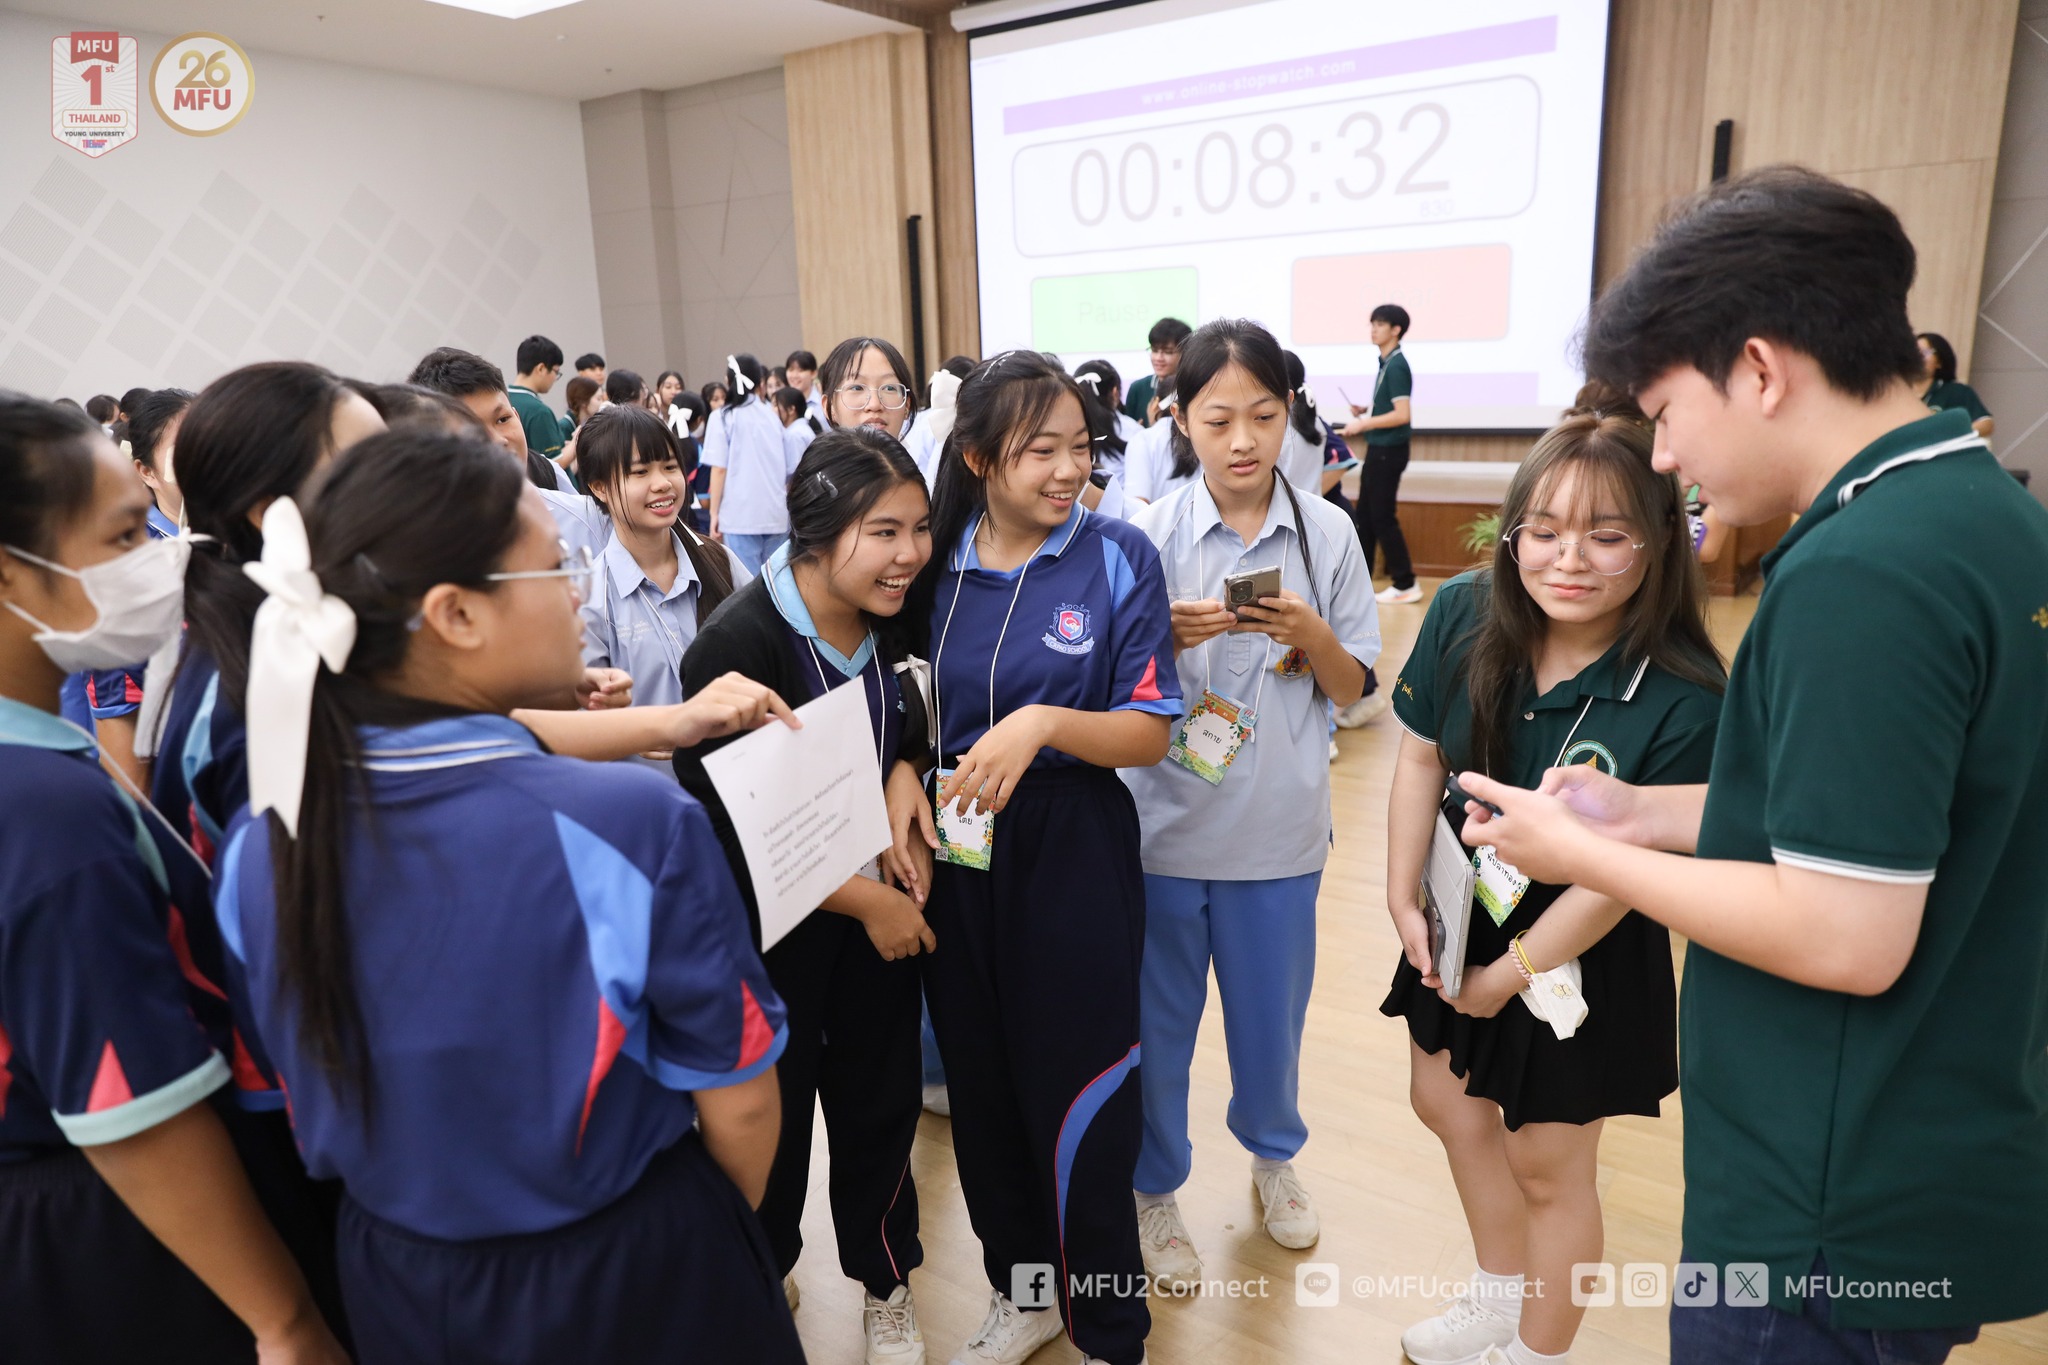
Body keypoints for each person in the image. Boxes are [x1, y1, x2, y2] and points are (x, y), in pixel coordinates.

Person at [1458, 166, 2048, 1365]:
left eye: (1666, 412)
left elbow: (1846, 934)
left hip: (1820, 1201)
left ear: (1760, 370)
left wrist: (1574, 853)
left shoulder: (1858, 574)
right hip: (1931, 1130)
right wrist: (1641, 814)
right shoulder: (1985, 518)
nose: (1664, 456)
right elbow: (1884, 814)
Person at [208, 426, 804, 1364]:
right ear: (455, 614)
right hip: (632, 1269)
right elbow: (743, 1104)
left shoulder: (259, 843)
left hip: (397, 1279)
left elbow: (285, 1089)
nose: (577, 591)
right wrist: (697, 1238)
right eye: (556, 565)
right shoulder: (630, 821)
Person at [0, 393, 349, 1365]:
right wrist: (283, 1318)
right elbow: (134, 1105)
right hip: (127, 1241)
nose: (164, 557)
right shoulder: (44, 810)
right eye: (125, 537)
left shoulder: (44, 762)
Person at [1382, 382, 1724, 1365]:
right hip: (1459, 907)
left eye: (1605, 537)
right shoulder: (1462, 611)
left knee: (1547, 1166)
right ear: (1511, 535)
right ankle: (1499, 1295)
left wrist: (1511, 974)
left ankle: (1537, 1353)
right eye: (1542, 532)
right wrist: (1400, 893)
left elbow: (1617, 879)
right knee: (1445, 1102)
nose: (1567, 560)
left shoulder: (1686, 695)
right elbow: (1419, 754)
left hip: (1581, 945)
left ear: (1658, 544)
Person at [907, 350, 1181, 1365]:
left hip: (1073, 842)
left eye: (1079, 447)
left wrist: (1042, 723)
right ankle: (1025, 1290)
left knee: (1085, 1087)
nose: (1069, 470)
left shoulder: (1116, 555)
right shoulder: (930, 563)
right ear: (979, 459)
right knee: (982, 1087)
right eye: (1041, 451)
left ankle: (1108, 1325)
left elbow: (1150, 730)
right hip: (955, 845)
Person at [1119, 320, 1379, 1289]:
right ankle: (1154, 1191)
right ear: (1180, 419)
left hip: (1277, 834)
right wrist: (1161, 640)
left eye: (1263, 416)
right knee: (1157, 1032)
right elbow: (1106, 691)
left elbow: (1354, 690)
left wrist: (1313, 635)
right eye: (1218, 417)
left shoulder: (1327, 533)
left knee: (1271, 1025)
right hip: (1160, 835)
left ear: (1288, 416)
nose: (1242, 440)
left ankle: (1274, 1160)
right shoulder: (1145, 537)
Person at [676, 426, 938, 1365]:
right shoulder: (737, 643)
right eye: (884, 532)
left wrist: (905, 766)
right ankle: (764, 1265)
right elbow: (735, 828)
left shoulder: (895, 613)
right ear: (818, 536)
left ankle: (885, 1280)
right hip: (776, 931)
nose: (909, 554)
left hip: (880, 923)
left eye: (919, 528)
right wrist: (870, 905)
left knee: (880, 1105)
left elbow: (912, 717)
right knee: (771, 1120)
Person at [576, 404, 744, 724]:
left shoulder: (720, 561)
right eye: (640, 472)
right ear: (600, 488)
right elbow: (591, 719)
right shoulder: (591, 599)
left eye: (669, 466)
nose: (663, 483)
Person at [1337, 303, 1419, 604]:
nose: (1373, 329)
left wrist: (1363, 423)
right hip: (1379, 448)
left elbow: (1402, 414)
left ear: (1396, 330)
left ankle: (1406, 582)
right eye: (1372, 324)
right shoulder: (1386, 362)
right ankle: (1361, 581)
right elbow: (1390, 407)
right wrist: (1367, 409)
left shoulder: (1397, 365)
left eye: (1380, 324)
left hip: (1388, 450)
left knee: (1382, 517)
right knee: (1367, 516)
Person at [409, 346, 566, 492]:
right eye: (472, 432)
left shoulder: (552, 477)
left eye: (503, 419)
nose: (498, 440)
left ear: (516, 415)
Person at [704, 352, 800, 576]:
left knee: (746, 583)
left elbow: (719, 469)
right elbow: (789, 469)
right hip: (775, 514)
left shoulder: (722, 417)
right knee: (777, 583)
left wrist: (714, 513)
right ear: (761, 383)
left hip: (739, 515)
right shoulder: (772, 416)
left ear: (728, 381)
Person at [1913, 331, 1993, 439]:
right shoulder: (1897, 393)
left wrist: (1950, 437)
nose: (1917, 357)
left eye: (1924, 353)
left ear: (1939, 362)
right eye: (1914, 352)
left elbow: (1986, 424)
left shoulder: (1957, 391)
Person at [510, 334, 566, 464]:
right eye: (556, 372)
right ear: (541, 368)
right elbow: (554, 463)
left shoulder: (503, 399)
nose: (555, 378)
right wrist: (576, 443)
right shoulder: (539, 411)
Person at [1123, 318, 1190, 427]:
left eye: (1168, 352)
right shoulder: (1137, 389)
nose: (1158, 358)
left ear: (1185, 352)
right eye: (1154, 350)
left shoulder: (1192, 388)